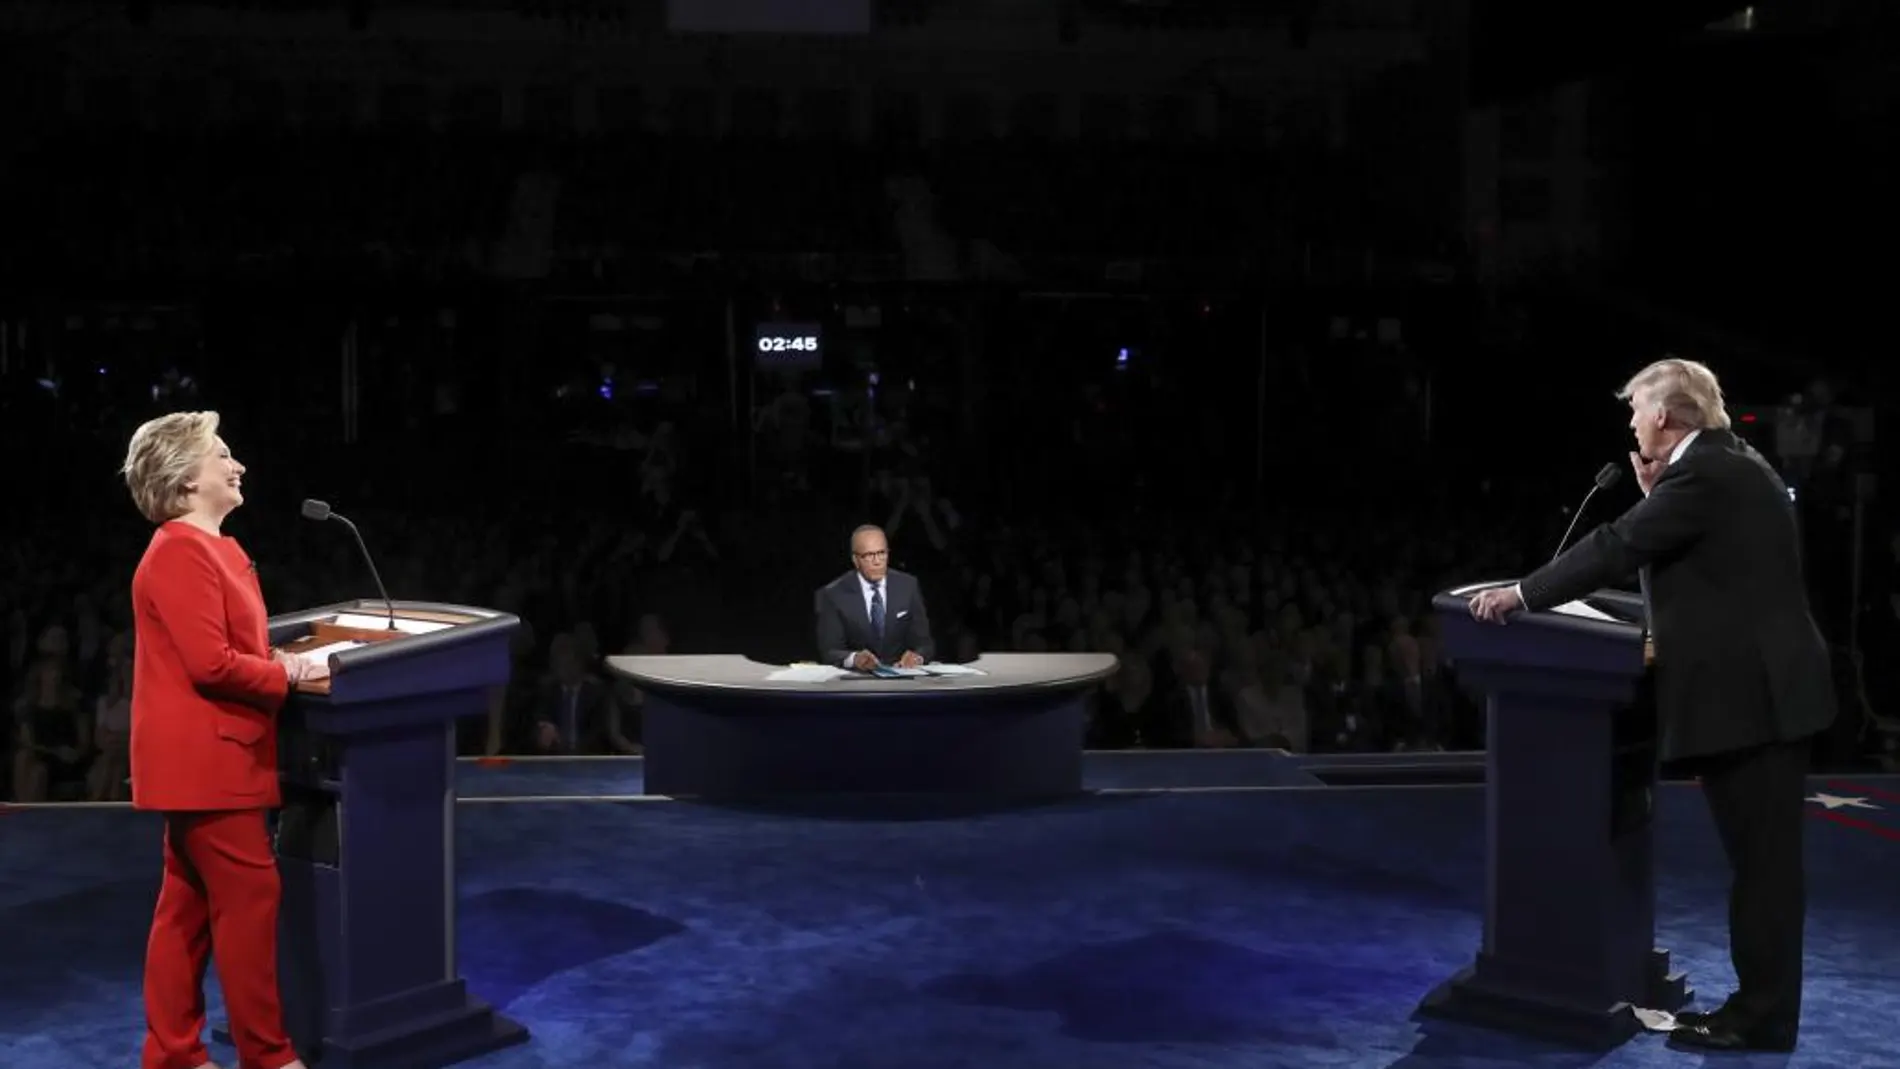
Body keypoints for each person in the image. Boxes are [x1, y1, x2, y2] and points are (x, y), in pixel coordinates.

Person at [1469, 358, 1835, 1053]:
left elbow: (1619, 543)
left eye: (1636, 409)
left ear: (1666, 415)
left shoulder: (1709, 473)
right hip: (1766, 694)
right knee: (1763, 867)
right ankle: (1758, 1006)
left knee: (1764, 871)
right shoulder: (1724, 466)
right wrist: (1654, 494)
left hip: (1758, 700)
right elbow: (1678, 556)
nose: (1632, 421)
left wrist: (1523, 593)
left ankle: (1762, 1017)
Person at [122, 411, 326, 1069]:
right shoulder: (181, 550)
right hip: (211, 759)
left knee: (186, 905)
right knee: (246, 900)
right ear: (185, 482)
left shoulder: (210, 547)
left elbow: (224, 647)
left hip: (210, 757)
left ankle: (173, 1052)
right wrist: (286, 670)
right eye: (222, 455)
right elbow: (211, 663)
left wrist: (269, 655)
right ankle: (266, 1055)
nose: (236, 466)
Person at [814, 524, 936, 670]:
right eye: (869, 555)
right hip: (857, 683)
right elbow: (829, 651)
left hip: (902, 678)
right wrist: (854, 659)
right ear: (855, 559)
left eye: (882, 553)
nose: (877, 561)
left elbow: (925, 644)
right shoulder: (834, 594)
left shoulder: (908, 586)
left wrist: (917, 657)